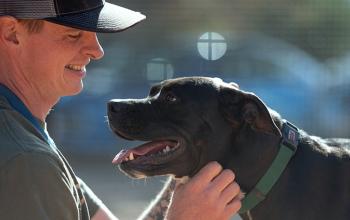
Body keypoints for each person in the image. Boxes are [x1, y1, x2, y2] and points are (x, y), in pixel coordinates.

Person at [0, 0, 242, 219]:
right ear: (12, 34)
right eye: (74, 35)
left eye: (93, 33)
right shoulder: (26, 162)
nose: (97, 51)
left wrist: (186, 167)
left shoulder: (24, 136)